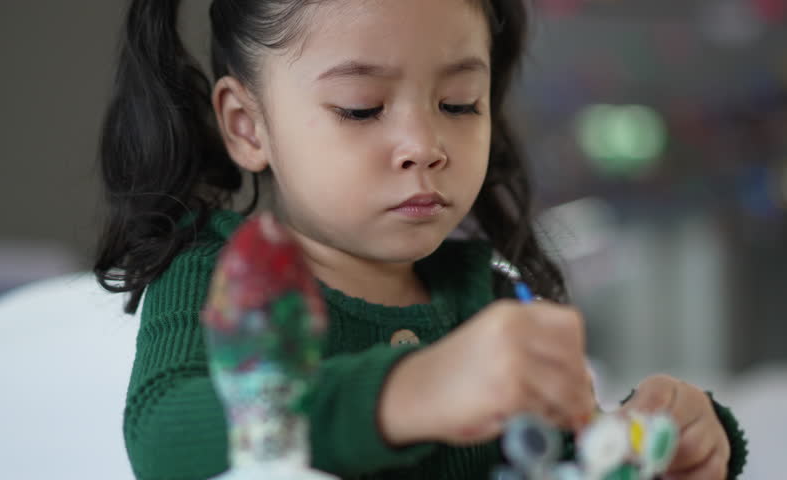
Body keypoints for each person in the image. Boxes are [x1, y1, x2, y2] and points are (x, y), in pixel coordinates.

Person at [93, 1, 747, 479]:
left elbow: (552, 451)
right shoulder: (219, 271)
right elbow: (166, 434)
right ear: (247, 126)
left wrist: (658, 437)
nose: (425, 147)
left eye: (460, 103)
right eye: (362, 107)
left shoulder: (485, 291)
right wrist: (409, 391)